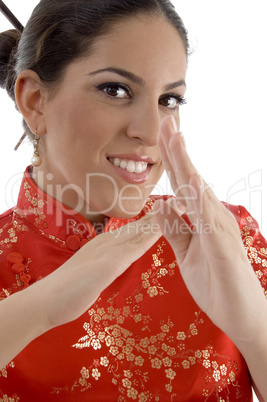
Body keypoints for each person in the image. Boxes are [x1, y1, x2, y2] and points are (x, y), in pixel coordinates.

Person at [0, 0, 266, 400]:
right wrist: (39, 307)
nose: (150, 130)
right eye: (115, 89)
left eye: (169, 100)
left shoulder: (223, 241)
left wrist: (255, 327)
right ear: (35, 100)